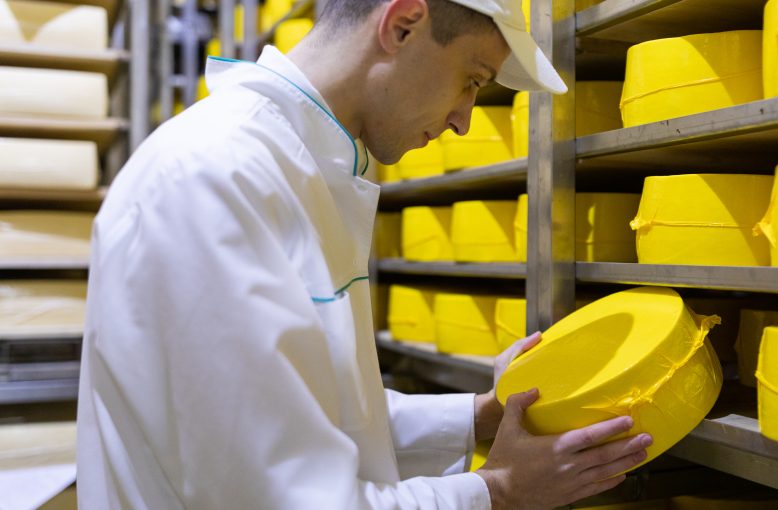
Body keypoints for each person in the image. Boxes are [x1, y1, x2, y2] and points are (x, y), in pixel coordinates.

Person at [76, 0, 653, 507]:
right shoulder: (213, 180)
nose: (463, 119)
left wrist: (484, 415)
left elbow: (312, 415)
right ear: (403, 25)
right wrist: (500, 491)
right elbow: (283, 496)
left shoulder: (293, 168)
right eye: (472, 79)